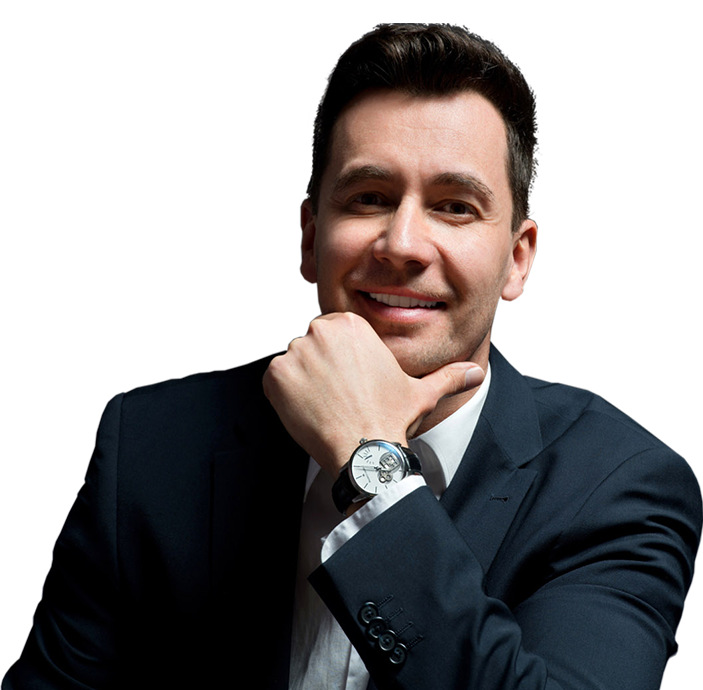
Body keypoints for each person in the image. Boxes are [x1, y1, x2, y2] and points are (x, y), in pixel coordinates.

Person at [3, 25, 701, 690]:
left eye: (455, 206)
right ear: (312, 239)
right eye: (369, 198)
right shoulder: (153, 447)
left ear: (516, 260)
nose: (402, 244)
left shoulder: (617, 488)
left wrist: (369, 466)